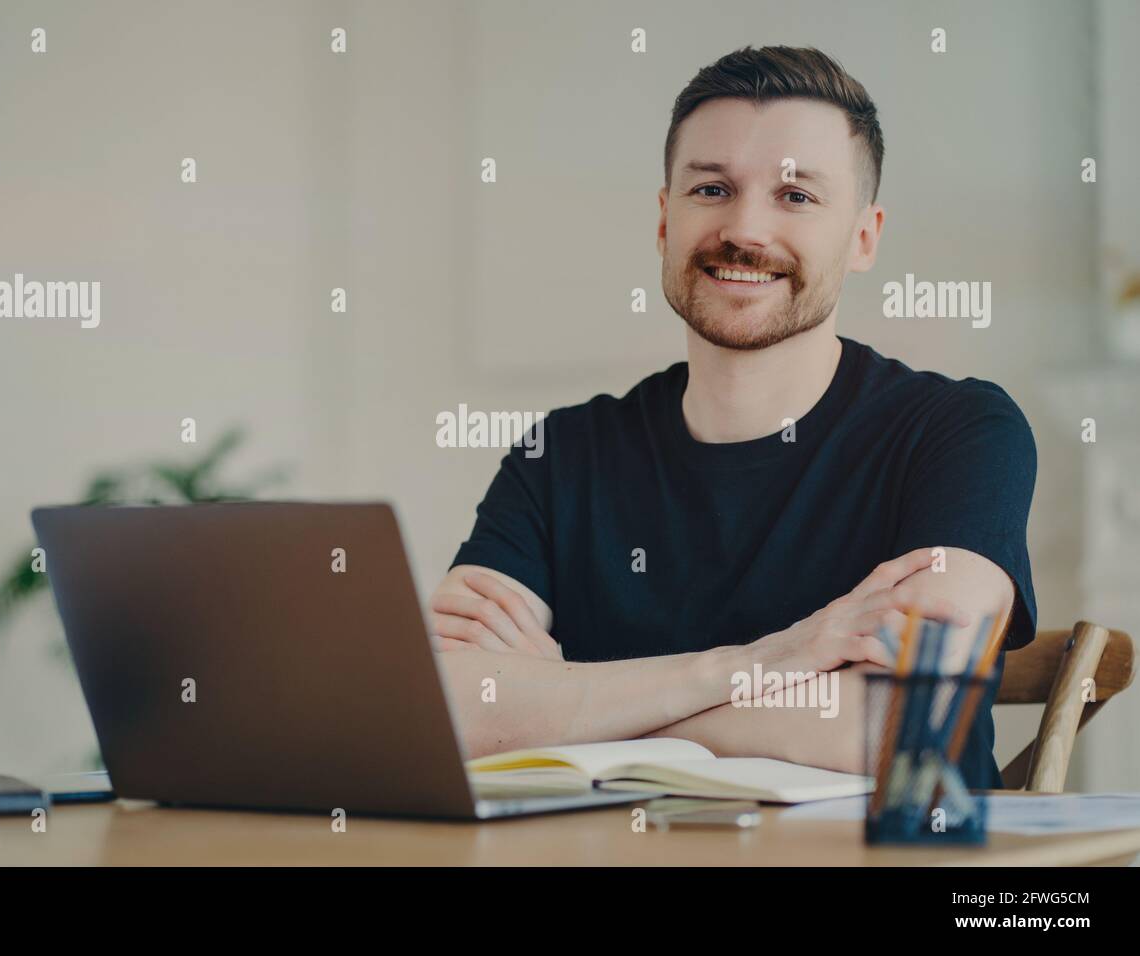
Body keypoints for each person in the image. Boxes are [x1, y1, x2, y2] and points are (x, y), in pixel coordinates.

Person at [430, 46, 1036, 789]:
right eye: (712, 189)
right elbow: (449, 710)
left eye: (797, 197)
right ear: (664, 220)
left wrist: (575, 704)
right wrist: (763, 664)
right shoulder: (560, 455)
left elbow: (906, 730)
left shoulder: (959, 433)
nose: (745, 230)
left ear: (865, 237)